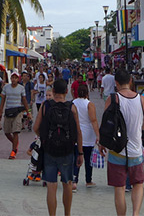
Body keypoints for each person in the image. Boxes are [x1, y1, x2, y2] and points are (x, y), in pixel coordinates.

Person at [99, 68, 144, 216]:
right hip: (136, 150)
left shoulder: (113, 99)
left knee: (119, 188)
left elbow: (105, 126)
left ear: (116, 83)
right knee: (138, 184)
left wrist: (102, 143)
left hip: (117, 150)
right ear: (130, 81)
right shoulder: (141, 99)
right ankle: (136, 213)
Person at [34, 78, 84, 216]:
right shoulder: (71, 107)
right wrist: (80, 152)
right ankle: (67, 214)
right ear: (67, 91)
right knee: (67, 183)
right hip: (67, 150)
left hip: (49, 150)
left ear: (53, 90)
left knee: (51, 185)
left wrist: (44, 138)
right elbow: (78, 132)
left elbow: (35, 127)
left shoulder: (45, 105)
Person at [72, 82, 100, 190]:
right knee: (88, 159)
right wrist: (98, 135)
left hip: (76, 134)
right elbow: (93, 120)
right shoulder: (89, 104)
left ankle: (74, 180)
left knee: (76, 158)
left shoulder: (73, 103)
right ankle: (88, 180)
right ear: (87, 93)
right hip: (88, 135)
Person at [0, 71, 30, 159]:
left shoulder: (21, 88)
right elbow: (3, 99)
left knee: (15, 131)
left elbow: (24, 100)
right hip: (8, 110)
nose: (13, 79)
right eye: (12, 78)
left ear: (18, 79)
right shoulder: (6, 87)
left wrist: (28, 112)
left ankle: (13, 151)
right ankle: (15, 142)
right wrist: (0, 111)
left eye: (15, 78)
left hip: (17, 111)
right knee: (7, 131)